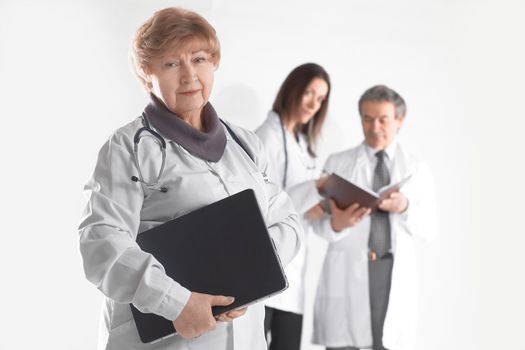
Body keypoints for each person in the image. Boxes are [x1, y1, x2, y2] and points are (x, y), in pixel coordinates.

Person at [78, 7, 302, 350]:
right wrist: (175, 302)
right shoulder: (127, 148)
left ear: (213, 63)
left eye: (198, 59)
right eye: (170, 63)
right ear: (146, 74)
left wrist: (250, 275)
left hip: (246, 334)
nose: (189, 76)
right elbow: (101, 243)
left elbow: (287, 219)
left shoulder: (245, 143)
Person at [311, 85, 437, 350]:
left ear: (399, 120)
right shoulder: (337, 164)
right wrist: (337, 224)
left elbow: (429, 229)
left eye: (383, 119)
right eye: (367, 118)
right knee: (345, 343)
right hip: (349, 267)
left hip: (390, 269)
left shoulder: (416, 169)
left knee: (386, 342)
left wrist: (404, 207)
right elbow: (316, 222)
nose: (374, 127)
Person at [255, 63, 330, 350]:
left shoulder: (301, 145)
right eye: (309, 92)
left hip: (293, 275)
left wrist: (323, 208)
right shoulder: (266, 137)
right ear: (293, 89)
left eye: (321, 98)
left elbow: (294, 203)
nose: (314, 103)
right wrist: (317, 187)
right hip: (266, 269)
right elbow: (261, 203)